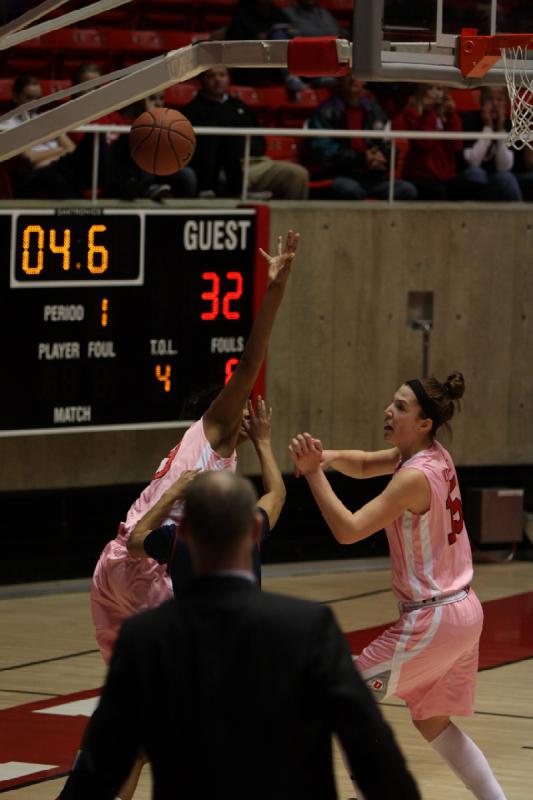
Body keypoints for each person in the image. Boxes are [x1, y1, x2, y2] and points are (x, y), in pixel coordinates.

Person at [59, 470, 421, 800]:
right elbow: (373, 757)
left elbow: (98, 767)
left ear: (183, 536)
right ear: (253, 531)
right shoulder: (310, 628)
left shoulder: (144, 640)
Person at [289, 372, 508, 800]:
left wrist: (314, 475)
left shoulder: (412, 477)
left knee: (344, 696)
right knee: (431, 722)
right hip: (464, 611)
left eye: (401, 407)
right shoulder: (434, 455)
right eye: (393, 403)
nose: (389, 411)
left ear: (424, 422)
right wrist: (328, 456)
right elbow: (367, 463)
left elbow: (349, 530)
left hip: (436, 617)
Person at [91, 229, 299, 664]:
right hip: (148, 562)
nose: (248, 406)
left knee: (136, 695)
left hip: (113, 567)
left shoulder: (213, 448)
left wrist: (259, 442)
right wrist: (276, 291)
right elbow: (248, 364)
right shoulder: (214, 430)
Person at [127, 395, 286, 591]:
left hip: (191, 620)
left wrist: (172, 493)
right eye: (242, 411)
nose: (247, 417)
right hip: (242, 622)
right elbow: (276, 494)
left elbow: (134, 542)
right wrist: (262, 442)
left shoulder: (178, 539)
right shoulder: (247, 531)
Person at [184, 66, 309, 199]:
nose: (217, 80)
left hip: (257, 162)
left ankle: (288, 218)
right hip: (224, 168)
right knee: (230, 178)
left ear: (228, 79)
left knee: (298, 174)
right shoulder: (192, 111)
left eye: (222, 75)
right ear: (201, 81)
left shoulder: (240, 106)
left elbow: (259, 140)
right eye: (211, 76)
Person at [307, 73, 418, 200]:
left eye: (358, 74)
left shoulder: (375, 111)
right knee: (351, 190)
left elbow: (389, 145)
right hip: (338, 175)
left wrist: (383, 157)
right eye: (348, 75)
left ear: (365, 80)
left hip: (371, 177)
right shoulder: (325, 111)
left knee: (406, 190)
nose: (353, 78)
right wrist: (362, 158)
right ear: (339, 78)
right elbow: (324, 151)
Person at [4, 74, 107, 199]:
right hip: (34, 174)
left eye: (37, 98)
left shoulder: (46, 120)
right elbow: (30, 158)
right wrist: (60, 150)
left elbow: (72, 148)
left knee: (95, 139)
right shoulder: (8, 125)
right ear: (16, 97)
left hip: (60, 165)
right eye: (28, 98)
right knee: (59, 179)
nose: (34, 103)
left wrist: (56, 153)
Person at [392, 84, 463, 201]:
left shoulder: (447, 115)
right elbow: (425, 144)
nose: (435, 93)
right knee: (438, 192)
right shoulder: (411, 113)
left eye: (439, 88)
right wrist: (429, 112)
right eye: (430, 88)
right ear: (422, 92)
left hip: (445, 175)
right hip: (420, 176)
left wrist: (452, 116)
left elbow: (457, 146)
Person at [459, 85, 523, 202]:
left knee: (506, 178)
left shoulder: (510, 124)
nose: (494, 103)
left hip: (498, 175)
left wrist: (500, 130)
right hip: (472, 173)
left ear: (506, 103)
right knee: (475, 173)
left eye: (499, 100)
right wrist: (488, 127)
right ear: (481, 100)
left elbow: (504, 167)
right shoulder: (469, 119)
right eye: (489, 99)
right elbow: (473, 162)